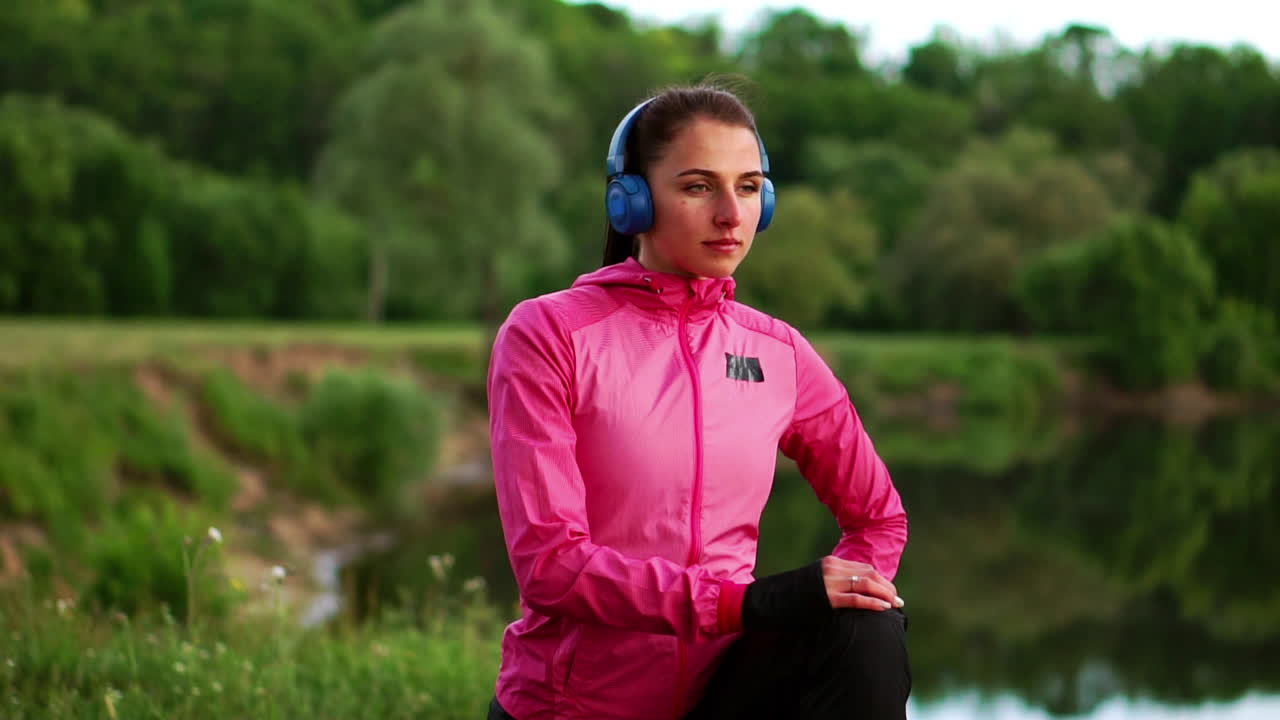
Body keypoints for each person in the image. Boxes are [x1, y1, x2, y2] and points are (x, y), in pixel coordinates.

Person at [486, 82, 910, 720]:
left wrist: (852, 585)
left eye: (749, 187)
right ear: (632, 201)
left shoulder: (778, 351)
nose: (731, 215)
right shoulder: (549, 334)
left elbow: (879, 518)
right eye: (698, 187)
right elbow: (550, 565)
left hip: (725, 693)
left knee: (865, 627)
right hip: (575, 705)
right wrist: (743, 604)